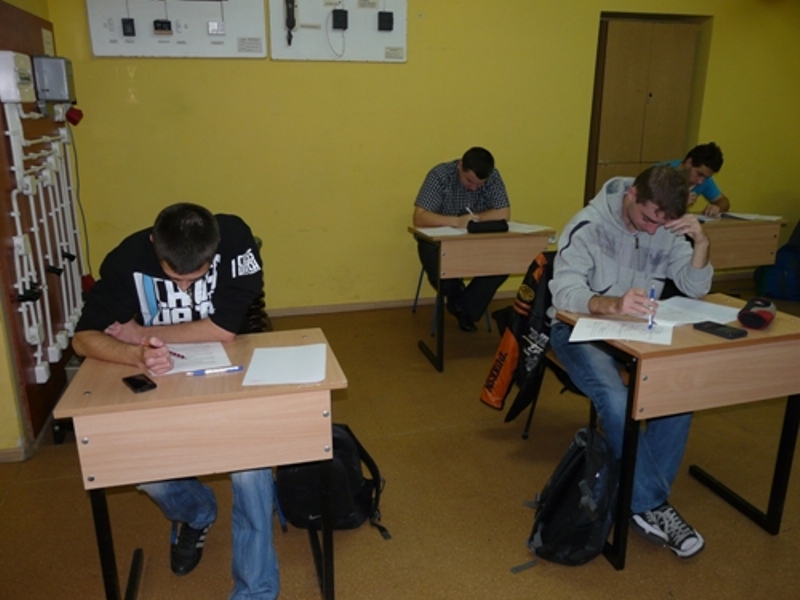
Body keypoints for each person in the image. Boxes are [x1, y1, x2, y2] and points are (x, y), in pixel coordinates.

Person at [72, 203, 279, 599]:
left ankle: (256, 591)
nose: (184, 288)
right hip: (162, 379)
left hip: (232, 368)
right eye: (174, 278)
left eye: (194, 279)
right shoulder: (128, 258)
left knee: (250, 470)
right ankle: (198, 513)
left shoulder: (235, 239)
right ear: (155, 244)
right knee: (147, 472)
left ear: (214, 248)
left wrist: (140, 333)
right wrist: (136, 355)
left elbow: (223, 330)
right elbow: (83, 338)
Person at [548, 165, 713, 559]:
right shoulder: (588, 225)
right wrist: (611, 304)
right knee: (618, 399)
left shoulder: (661, 225)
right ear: (632, 195)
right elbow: (564, 293)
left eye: (662, 224)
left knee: (678, 395)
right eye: (647, 219)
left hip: (636, 331)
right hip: (580, 330)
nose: (653, 231)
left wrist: (701, 243)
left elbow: (695, 288)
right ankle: (650, 504)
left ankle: (638, 498)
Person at [413, 146, 511, 332]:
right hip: (438, 241)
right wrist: (457, 221)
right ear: (460, 166)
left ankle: (462, 307)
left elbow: (503, 213)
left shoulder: (492, 176)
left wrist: (473, 221)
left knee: (503, 262)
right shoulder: (440, 175)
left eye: (480, 184)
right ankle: (464, 307)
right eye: (469, 181)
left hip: (475, 239)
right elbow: (420, 217)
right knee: (443, 270)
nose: (474, 188)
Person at [666, 142, 730, 217]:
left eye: (706, 177)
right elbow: (654, 208)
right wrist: (679, 203)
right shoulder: (661, 174)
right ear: (689, 162)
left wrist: (717, 207)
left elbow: (723, 201)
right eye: (699, 174)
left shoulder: (704, 179)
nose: (700, 182)